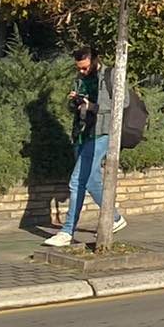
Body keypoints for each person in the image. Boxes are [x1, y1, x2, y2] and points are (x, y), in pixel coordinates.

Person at [43, 46, 126, 247]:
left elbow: (123, 103)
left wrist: (93, 106)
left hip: (102, 133)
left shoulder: (111, 74)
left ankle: (67, 231)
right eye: (79, 68)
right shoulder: (79, 78)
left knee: (76, 181)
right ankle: (115, 218)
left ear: (95, 61)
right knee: (91, 180)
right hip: (82, 133)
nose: (82, 71)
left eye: (85, 67)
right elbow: (75, 107)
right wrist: (75, 102)